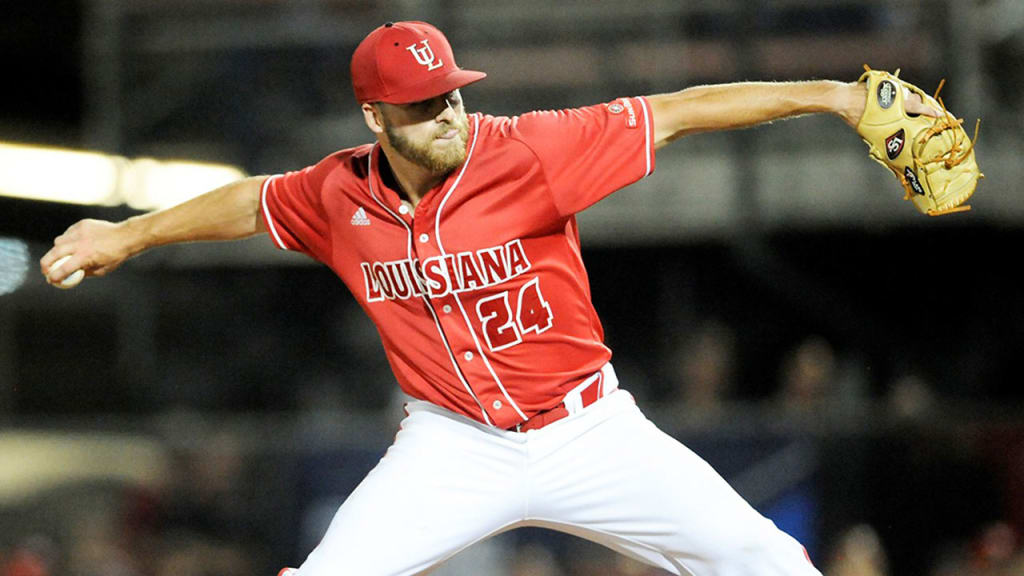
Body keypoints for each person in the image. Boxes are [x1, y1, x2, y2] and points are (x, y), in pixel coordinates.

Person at [41, 20, 941, 576]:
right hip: (452, 445)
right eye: (423, 105)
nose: (447, 115)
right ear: (373, 117)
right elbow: (252, 201)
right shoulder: (338, 192)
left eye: (451, 95)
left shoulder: (530, 150)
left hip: (589, 432)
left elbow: (678, 111)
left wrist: (837, 96)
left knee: (766, 562)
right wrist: (127, 235)